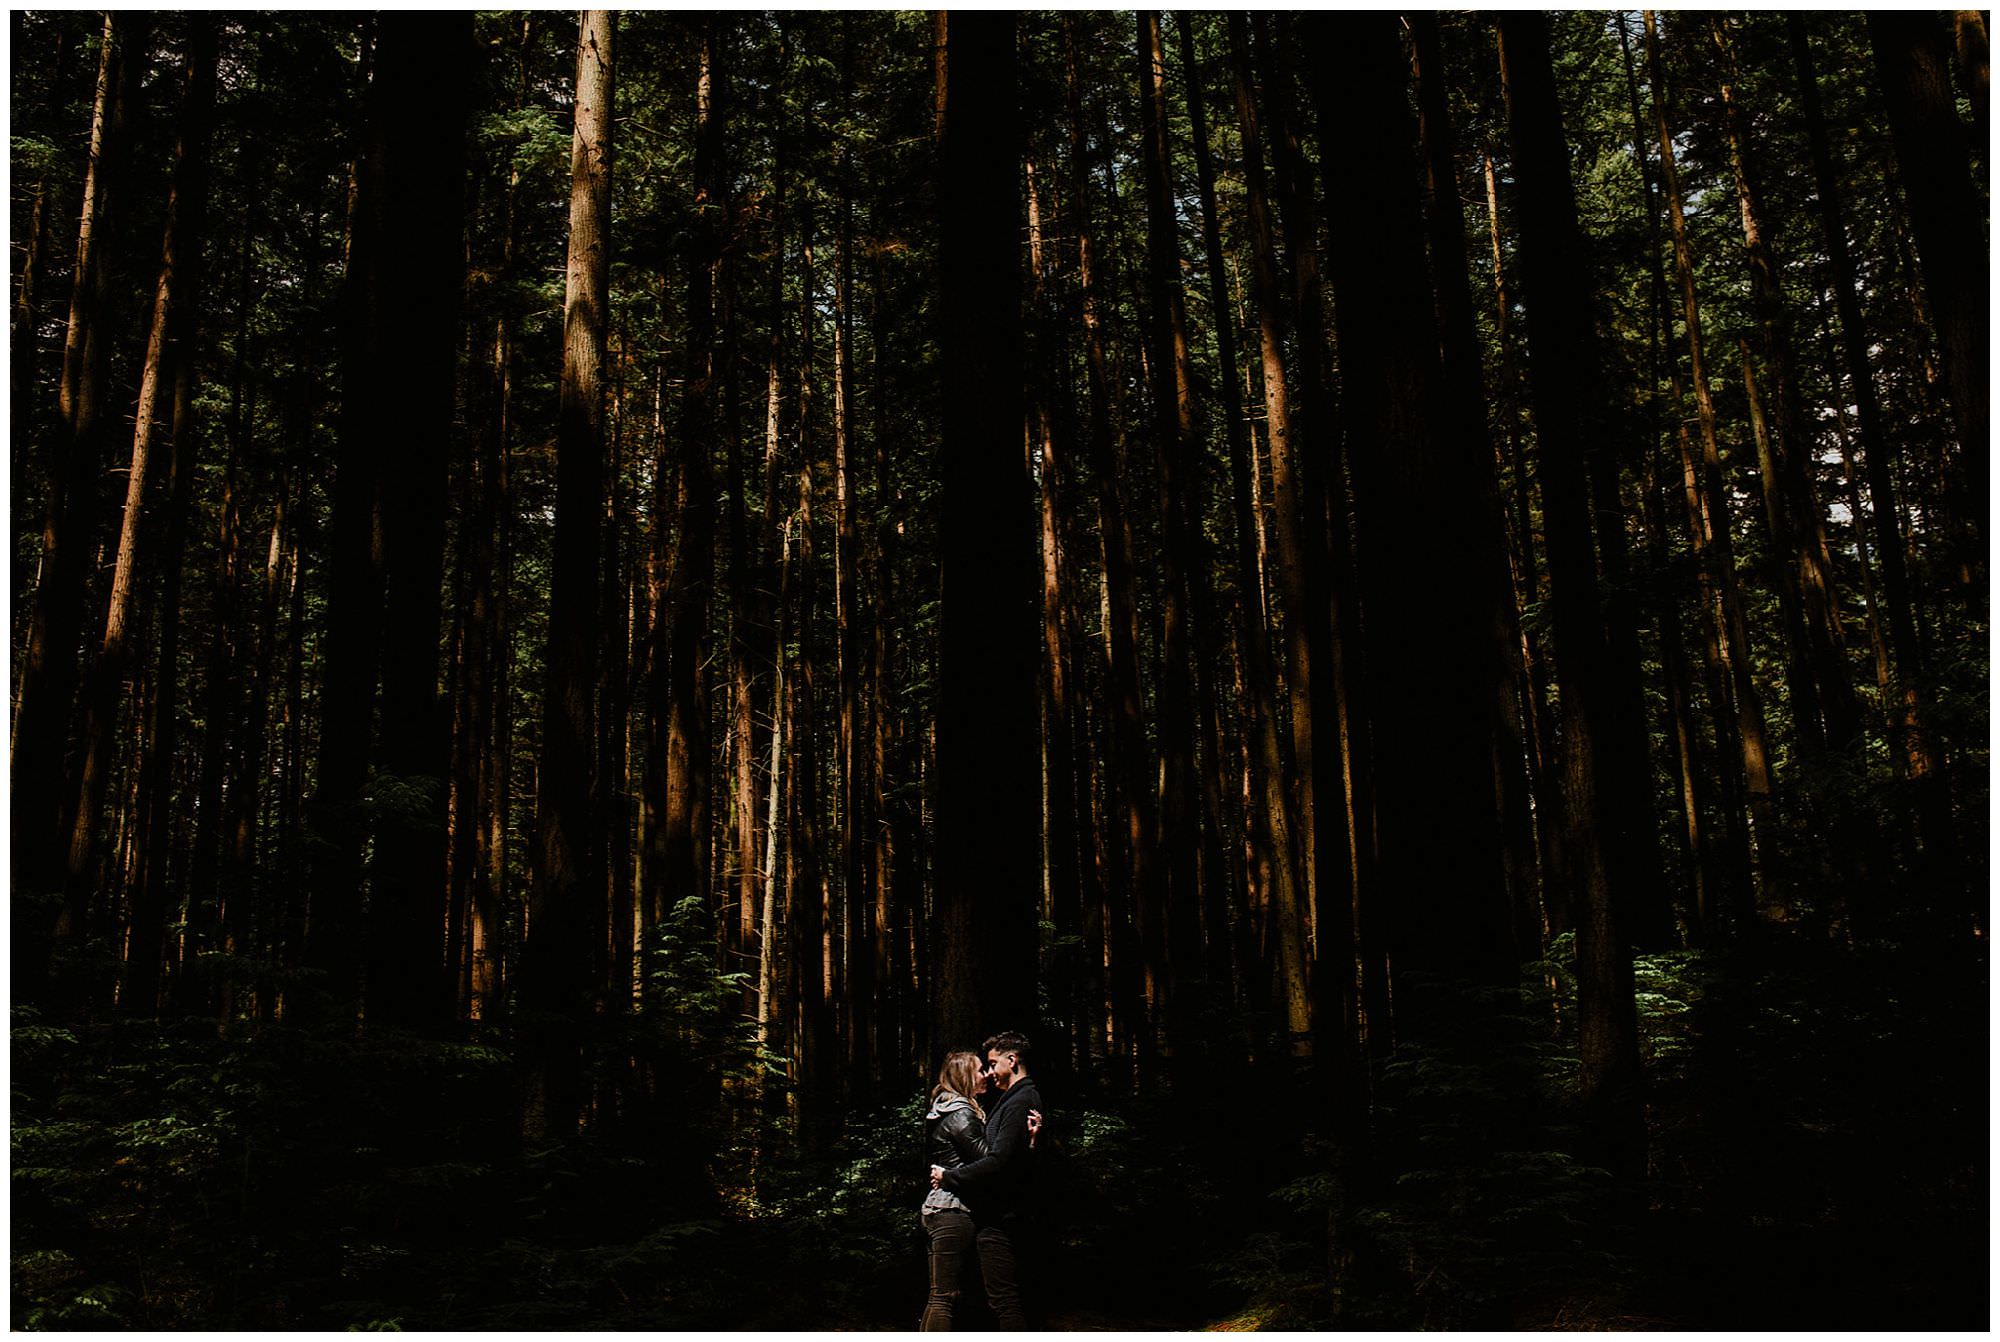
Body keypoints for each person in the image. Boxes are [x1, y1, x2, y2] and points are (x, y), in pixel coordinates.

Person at [931, 1030, 1043, 1330]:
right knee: (994, 1299)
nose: (990, 1073)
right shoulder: (1011, 1100)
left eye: (992, 1064)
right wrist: (1030, 1145)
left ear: (1012, 1060)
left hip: (1002, 1215)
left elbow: (997, 1161)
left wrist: (948, 1176)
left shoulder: (1020, 1100)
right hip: (993, 1214)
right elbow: (1004, 1156)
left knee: (1003, 1300)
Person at [919, 1051, 988, 1330]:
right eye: (980, 1070)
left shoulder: (943, 1109)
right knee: (945, 1297)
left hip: (937, 1207)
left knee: (939, 1296)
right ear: (965, 1075)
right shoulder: (962, 1114)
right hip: (953, 1209)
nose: (986, 1075)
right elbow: (989, 1160)